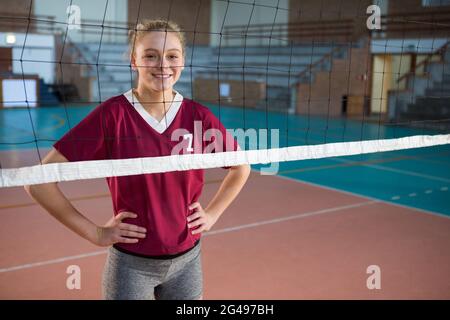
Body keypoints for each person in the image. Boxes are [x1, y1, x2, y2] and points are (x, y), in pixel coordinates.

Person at [24, 19, 250, 300]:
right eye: (150, 55)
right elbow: (38, 182)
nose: (162, 65)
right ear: (134, 61)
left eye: (171, 56)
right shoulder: (112, 116)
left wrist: (213, 213)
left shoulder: (199, 117)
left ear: (182, 61)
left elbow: (241, 166)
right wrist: (95, 233)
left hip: (188, 261)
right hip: (131, 266)